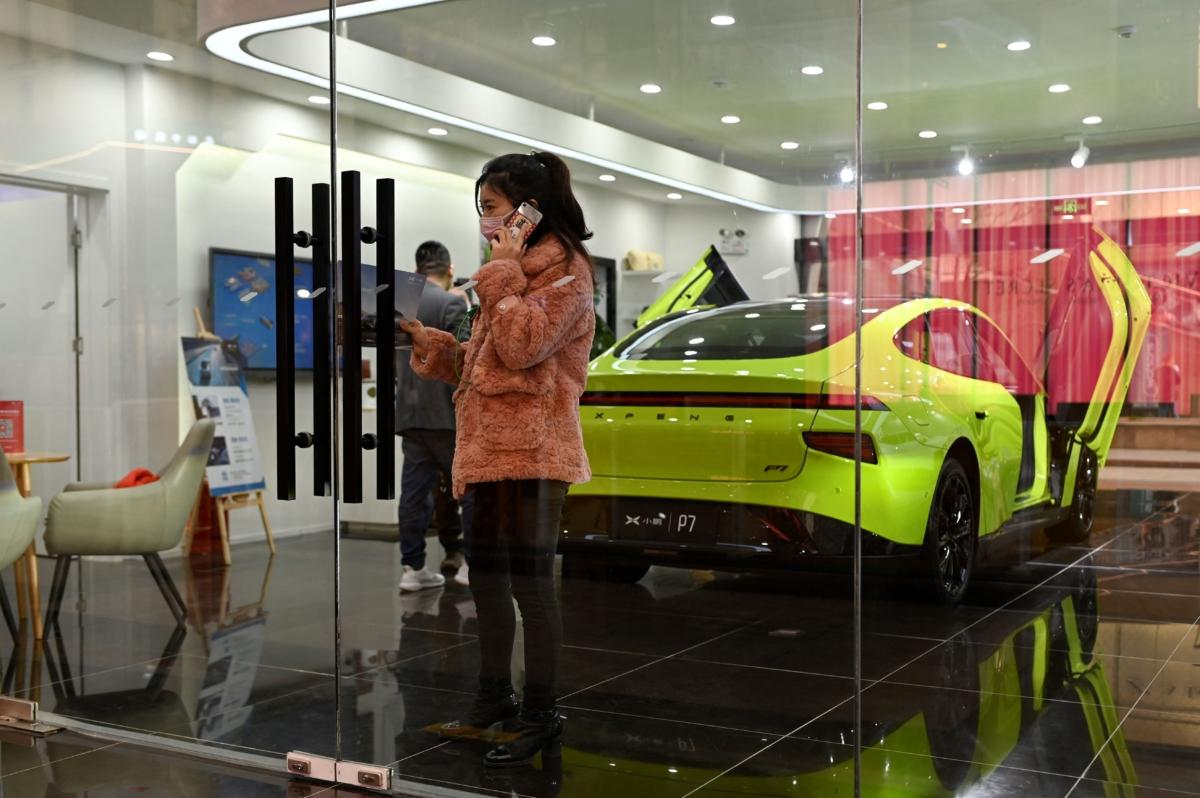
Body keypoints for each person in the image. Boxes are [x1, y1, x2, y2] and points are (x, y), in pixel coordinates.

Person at [400, 151, 595, 767]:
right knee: (486, 584)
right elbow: (485, 363)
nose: (486, 223)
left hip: (537, 453)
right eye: (481, 210)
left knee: (533, 591)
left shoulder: (566, 274)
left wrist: (504, 272)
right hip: (487, 452)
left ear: (530, 213)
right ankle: (494, 699)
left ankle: (542, 715)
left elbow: (522, 347)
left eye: (493, 209)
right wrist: (429, 342)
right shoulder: (508, 275)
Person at [396, 241, 474, 592]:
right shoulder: (453, 302)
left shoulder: (400, 306)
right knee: (467, 492)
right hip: (448, 415)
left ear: (417, 272)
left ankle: (412, 568)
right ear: (450, 269)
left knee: (414, 494)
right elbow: (465, 357)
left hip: (411, 415)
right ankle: (470, 564)